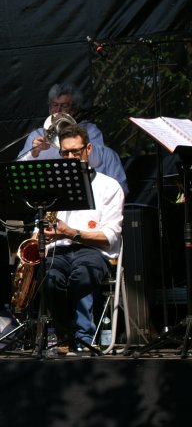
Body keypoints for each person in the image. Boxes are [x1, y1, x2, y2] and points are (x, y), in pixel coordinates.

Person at [41, 124, 124, 353]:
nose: (70, 158)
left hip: (93, 250)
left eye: (75, 152)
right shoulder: (53, 185)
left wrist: (71, 233)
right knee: (49, 277)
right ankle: (62, 335)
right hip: (59, 250)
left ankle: (83, 337)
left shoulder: (109, 186)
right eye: (65, 153)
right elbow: (44, 225)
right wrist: (41, 236)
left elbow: (109, 236)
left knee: (82, 274)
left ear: (88, 149)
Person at [17, 82, 128, 194]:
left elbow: (98, 160)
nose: (58, 110)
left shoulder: (90, 131)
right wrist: (33, 153)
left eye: (64, 105)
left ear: (75, 108)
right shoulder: (37, 134)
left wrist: (72, 136)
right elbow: (18, 170)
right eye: (55, 105)